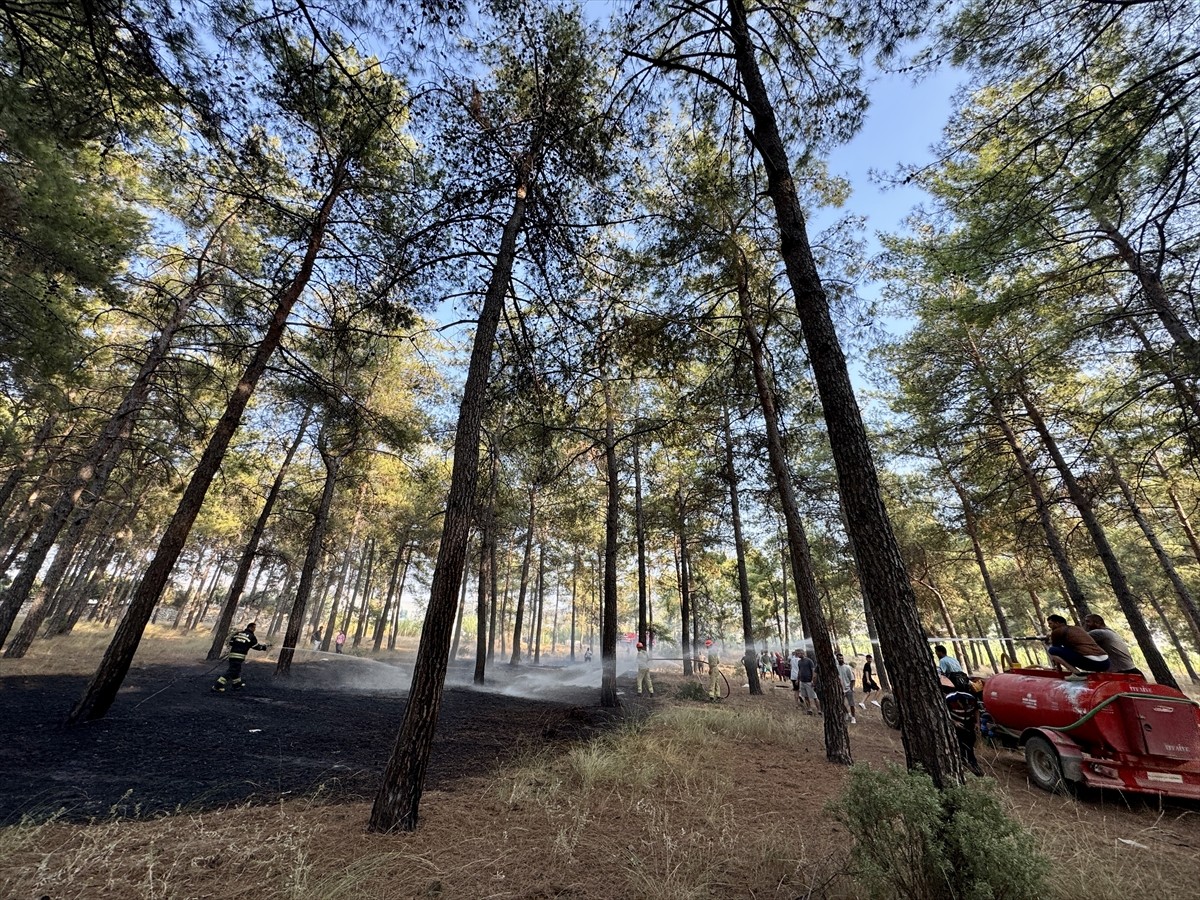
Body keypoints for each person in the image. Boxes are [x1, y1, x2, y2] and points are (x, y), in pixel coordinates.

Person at [213, 622, 269, 693]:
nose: (254, 629)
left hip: (232, 655)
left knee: (236, 670)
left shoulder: (238, 634)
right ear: (251, 627)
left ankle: (236, 685)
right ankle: (217, 686)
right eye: (254, 628)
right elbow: (256, 646)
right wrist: (264, 647)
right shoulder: (251, 636)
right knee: (231, 671)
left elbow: (231, 643)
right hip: (239, 656)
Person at [1045, 614, 1109, 676]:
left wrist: (1059, 669)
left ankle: (1076, 674)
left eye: (1050, 623)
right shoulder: (1077, 628)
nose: (1049, 626)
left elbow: (1055, 650)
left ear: (1057, 623)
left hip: (1093, 663)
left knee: (1052, 650)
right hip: (1106, 663)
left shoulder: (1057, 631)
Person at [946, 689, 983, 776]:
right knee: (960, 743)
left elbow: (976, 710)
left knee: (970, 742)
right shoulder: (949, 700)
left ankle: (972, 763)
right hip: (956, 723)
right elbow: (944, 713)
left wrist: (977, 723)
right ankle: (963, 760)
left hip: (968, 722)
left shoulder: (972, 699)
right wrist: (954, 722)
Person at [796, 650, 818, 715]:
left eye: (799, 653)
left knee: (814, 697)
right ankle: (809, 709)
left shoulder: (809, 661)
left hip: (809, 681)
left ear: (803, 653)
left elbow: (813, 671)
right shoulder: (799, 662)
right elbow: (800, 671)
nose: (798, 655)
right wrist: (798, 679)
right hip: (802, 681)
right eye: (797, 654)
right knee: (805, 696)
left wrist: (812, 680)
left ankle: (819, 710)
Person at [836, 653, 856, 724]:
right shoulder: (836, 667)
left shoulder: (847, 667)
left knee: (851, 704)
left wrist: (851, 688)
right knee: (841, 703)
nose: (841, 659)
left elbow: (852, 679)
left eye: (842, 658)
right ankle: (847, 714)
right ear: (837, 659)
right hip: (840, 689)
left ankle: (853, 717)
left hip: (848, 689)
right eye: (839, 658)